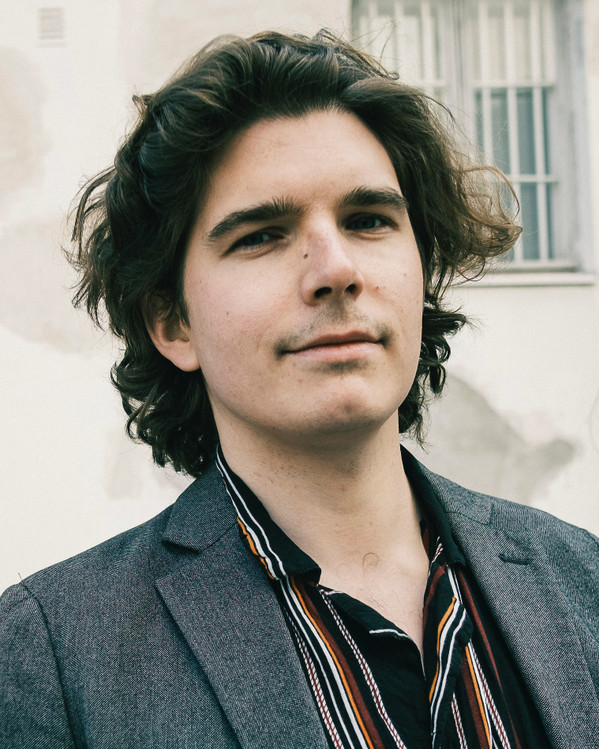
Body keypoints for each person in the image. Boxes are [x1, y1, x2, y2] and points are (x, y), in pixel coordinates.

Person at [1, 30, 597, 749]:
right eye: (261, 235)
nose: (336, 268)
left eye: (368, 220)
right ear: (173, 323)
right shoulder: (53, 652)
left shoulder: (581, 578)